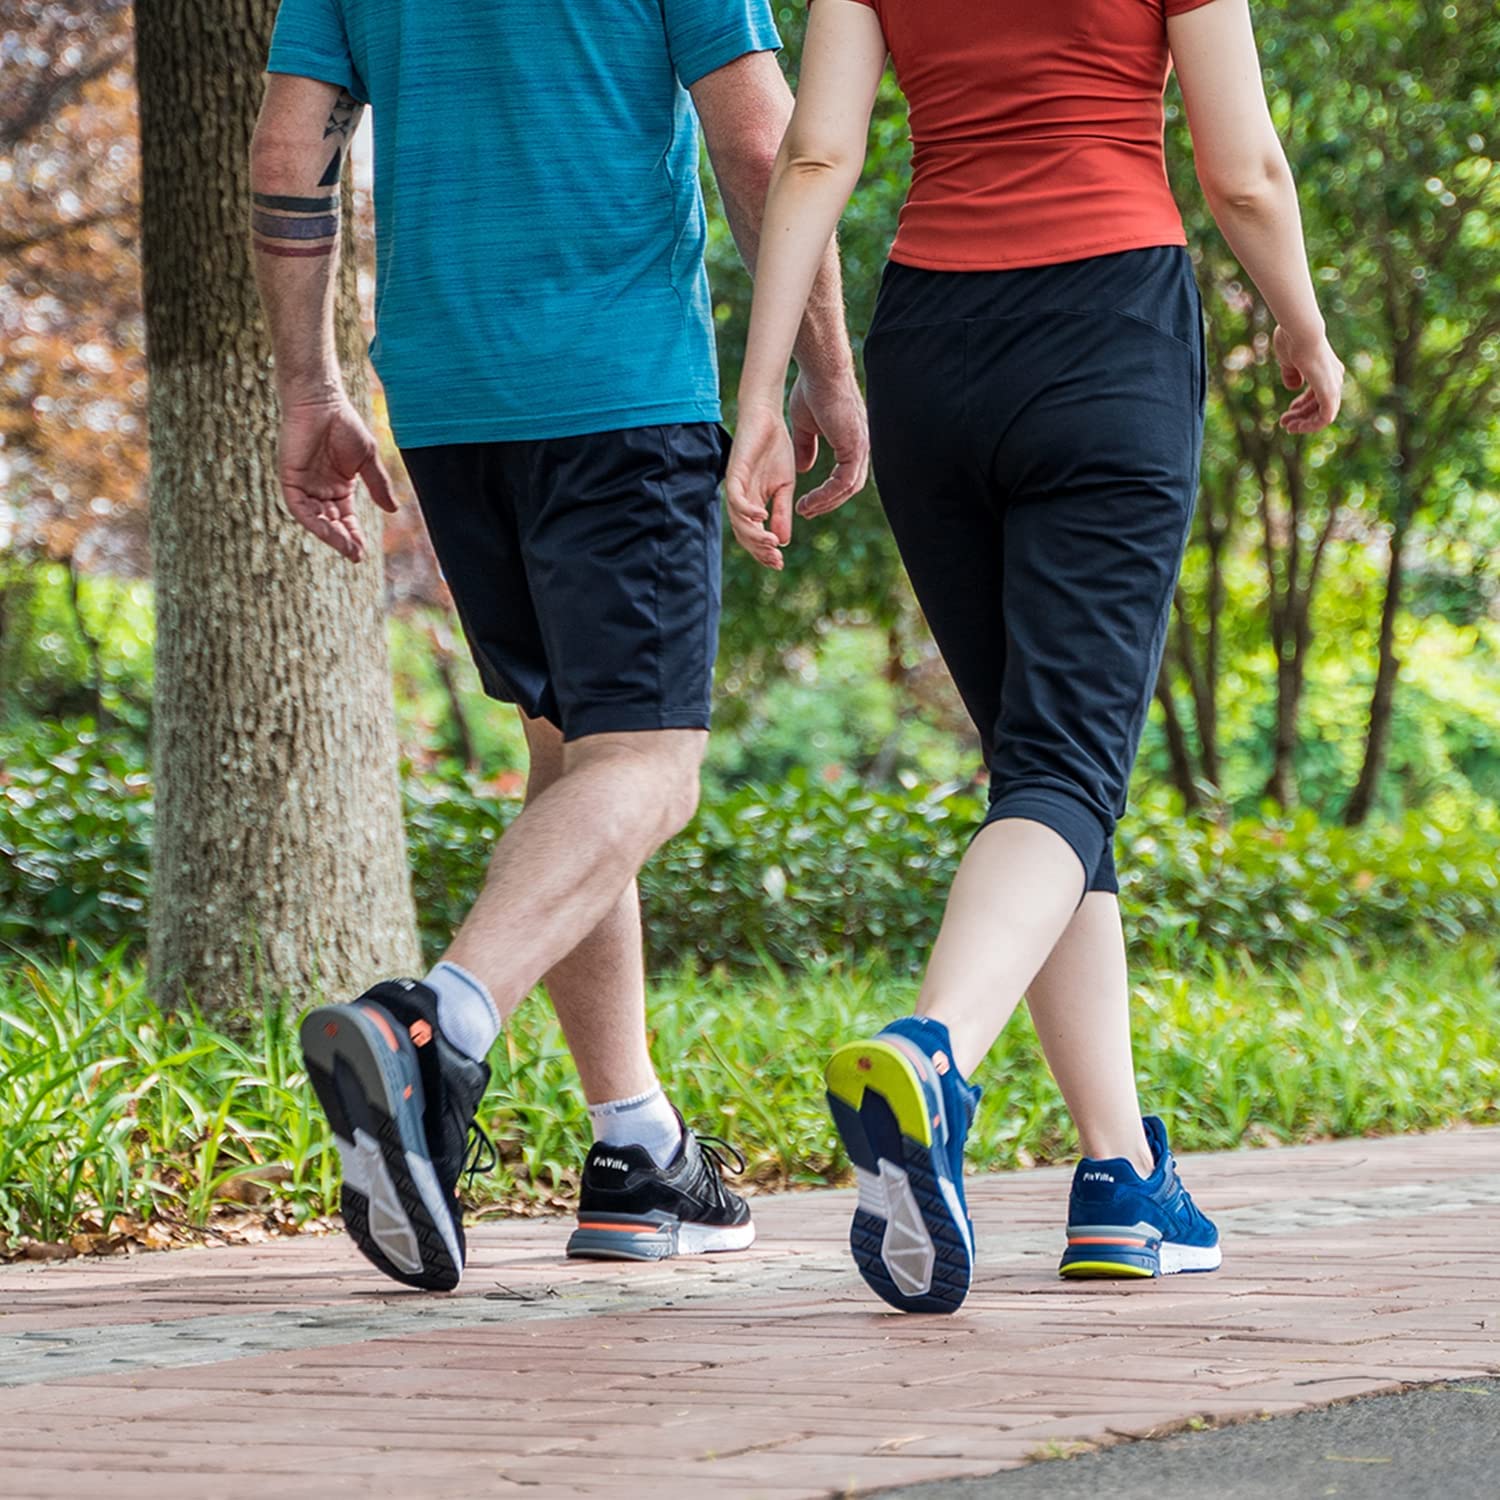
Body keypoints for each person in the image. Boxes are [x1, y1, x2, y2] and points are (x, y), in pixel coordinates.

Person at [727, 0, 1344, 1312]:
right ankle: (934, 1056)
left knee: (1045, 777)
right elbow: (1242, 170)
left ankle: (1120, 1177)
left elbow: (817, 154)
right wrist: (1300, 319)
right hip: (1106, 329)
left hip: (930, 350)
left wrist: (764, 392)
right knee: (1065, 769)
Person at [250, 0, 869, 1291]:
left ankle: (636, 1147)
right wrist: (818, 368)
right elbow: (761, 145)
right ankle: (434, 1028)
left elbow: (289, 150)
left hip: (449, 399)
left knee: (577, 759)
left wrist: (309, 387)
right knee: (651, 767)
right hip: (614, 387)